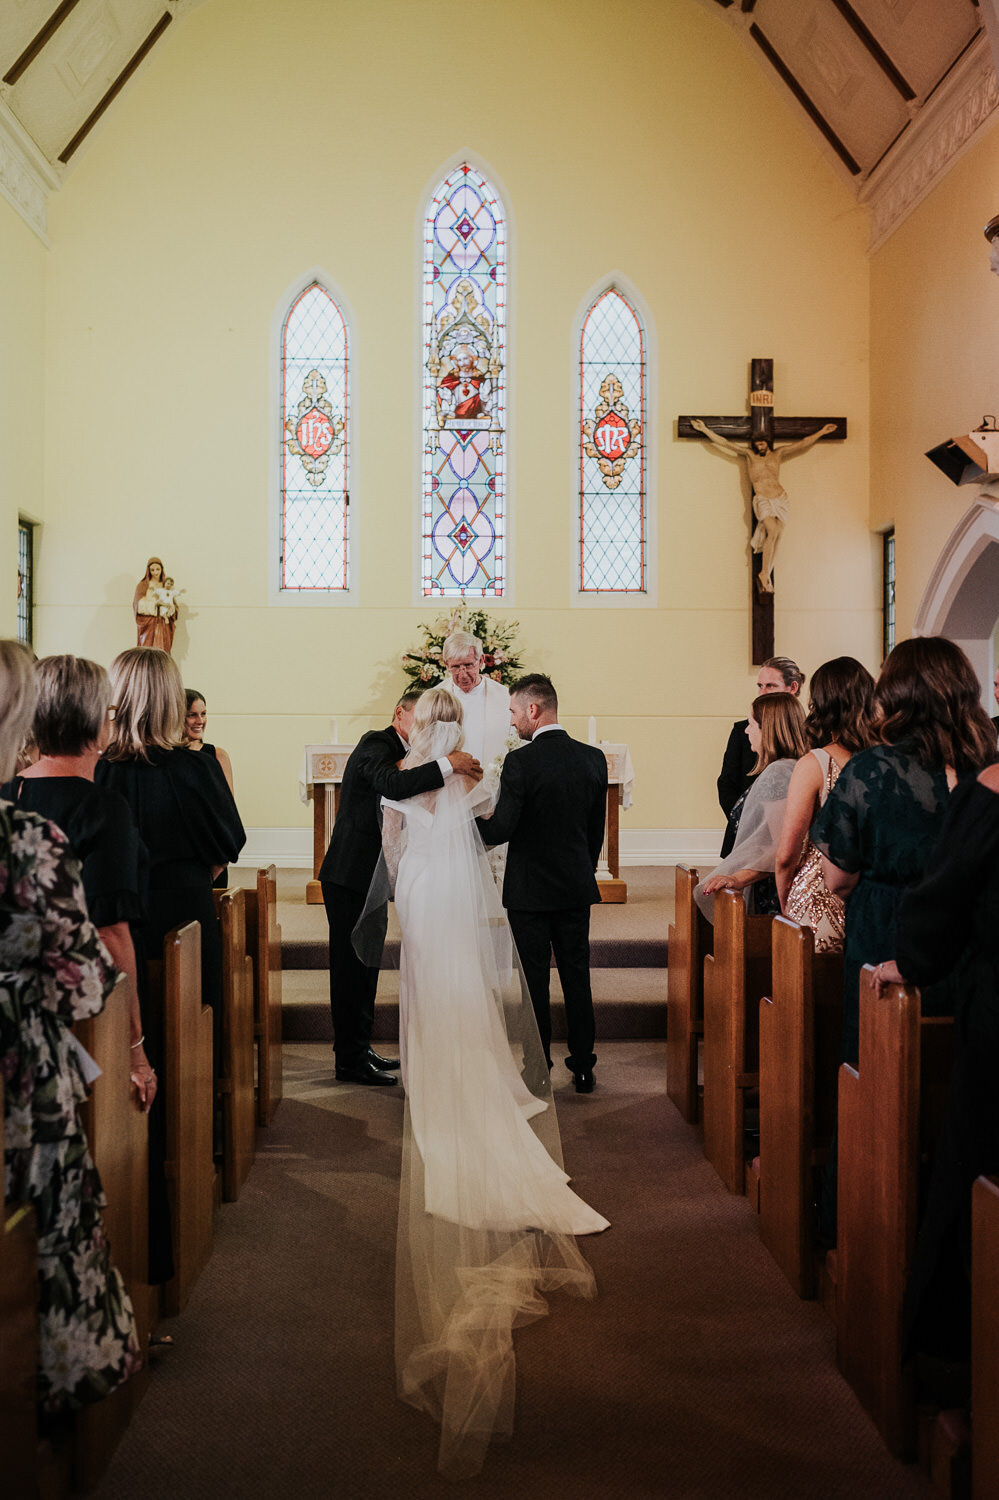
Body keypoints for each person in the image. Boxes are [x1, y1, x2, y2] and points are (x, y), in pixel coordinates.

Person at [363, 686, 608, 1479]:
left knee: (432, 997)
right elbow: (481, 837)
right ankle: (471, 1083)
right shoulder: (462, 772)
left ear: (418, 724)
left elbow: (394, 850)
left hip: (425, 900)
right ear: (457, 724)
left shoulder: (407, 770)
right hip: (459, 900)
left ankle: (434, 1087)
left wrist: (405, 893)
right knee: (464, 995)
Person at [0, 639, 141, 1415]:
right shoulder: (26, 840)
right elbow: (90, 981)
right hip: (20, 1070)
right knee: (41, 1226)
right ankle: (48, 1389)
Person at [2, 654, 174, 1284]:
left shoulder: (6, 798)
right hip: (76, 1025)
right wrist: (134, 1049)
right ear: (98, 725)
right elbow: (111, 935)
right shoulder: (103, 810)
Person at [811, 635, 996, 1071]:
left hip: (888, 928)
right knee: (957, 1063)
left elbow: (836, 878)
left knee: (880, 1068)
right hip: (976, 933)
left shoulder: (869, 771)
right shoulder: (989, 766)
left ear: (893, 694)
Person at [872, 762, 999, 1377]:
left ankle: (956, 1354)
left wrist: (915, 961)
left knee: (979, 1166)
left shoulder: (991, 792)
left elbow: (944, 900)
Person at [95, 648, 245, 1093]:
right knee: (191, 1020)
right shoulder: (197, 768)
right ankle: (198, 1120)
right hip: (185, 911)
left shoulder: (98, 772)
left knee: (121, 1022)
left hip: (116, 915)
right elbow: (227, 845)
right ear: (169, 702)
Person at [318, 689, 482, 1085]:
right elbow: (391, 784)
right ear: (400, 714)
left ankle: (361, 1048)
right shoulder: (377, 743)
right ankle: (349, 1061)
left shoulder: (414, 755)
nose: (425, 727)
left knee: (368, 964)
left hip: (374, 878)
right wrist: (447, 763)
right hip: (350, 875)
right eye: (419, 718)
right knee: (350, 968)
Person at [477, 673, 607, 1092]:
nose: (513, 722)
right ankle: (584, 1066)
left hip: (529, 893)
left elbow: (502, 829)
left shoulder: (521, 762)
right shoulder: (592, 758)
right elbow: (595, 833)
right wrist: (578, 872)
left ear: (533, 710)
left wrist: (469, 818)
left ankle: (537, 1068)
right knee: (576, 975)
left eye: (514, 712)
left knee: (533, 980)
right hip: (574, 887)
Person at [775, 657, 877, 953]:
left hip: (818, 901)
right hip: (868, 899)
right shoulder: (883, 762)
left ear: (820, 704)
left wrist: (786, 902)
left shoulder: (814, 764)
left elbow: (786, 854)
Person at [697, 691, 808, 921]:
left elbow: (781, 851)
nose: (746, 731)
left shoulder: (778, 774)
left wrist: (738, 878)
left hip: (774, 892)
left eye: (751, 724)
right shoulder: (795, 767)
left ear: (768, 730)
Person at [690, 420, 836, 592]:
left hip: (780, 497)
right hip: (763, 498)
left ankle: (766, 574)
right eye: (757, 443)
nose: (759, 446)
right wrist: (705, 429)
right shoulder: (749, 455)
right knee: (772, 531)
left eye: (762, 443)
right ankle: (764, 573)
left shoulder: (779, 454)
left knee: (778, 535)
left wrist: (821, 432)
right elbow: (725, 443)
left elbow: (802, 444)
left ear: (767, 443)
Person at [717, 655, 805, 857]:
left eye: (770, 686)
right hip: (745, 830)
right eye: (759, 685)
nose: (762, 692)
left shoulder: (809, 734)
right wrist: (747, 826)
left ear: (792, 688)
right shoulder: (743, 731)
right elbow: (727, 784)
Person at [184, 688, 235, 890]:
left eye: (203, 714)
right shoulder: (168, 758)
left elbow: (229, 811)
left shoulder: (217, 755)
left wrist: (221, 861)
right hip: (184, 853)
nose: (200, 720)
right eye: (192, 715)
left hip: (214, 851)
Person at [438, 629, 511, 768]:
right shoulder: (435, 698)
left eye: (468, 665)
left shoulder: (505, 697)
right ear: (446, 664)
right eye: (455, 667)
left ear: (481, 660)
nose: (463, 674)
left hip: (493, 779)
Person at [133, 558, 178, 653]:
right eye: (152, 570)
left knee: (163, 651)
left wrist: (172, 609)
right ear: (148, 570)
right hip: (149, 625)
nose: (155, 572)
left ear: (162, 569)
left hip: (163, 624)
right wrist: (154, 604)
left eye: (158, 569)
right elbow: (137, 605)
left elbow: (173, 603)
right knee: (148, 652)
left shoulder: (166, 585)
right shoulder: (142, 585)